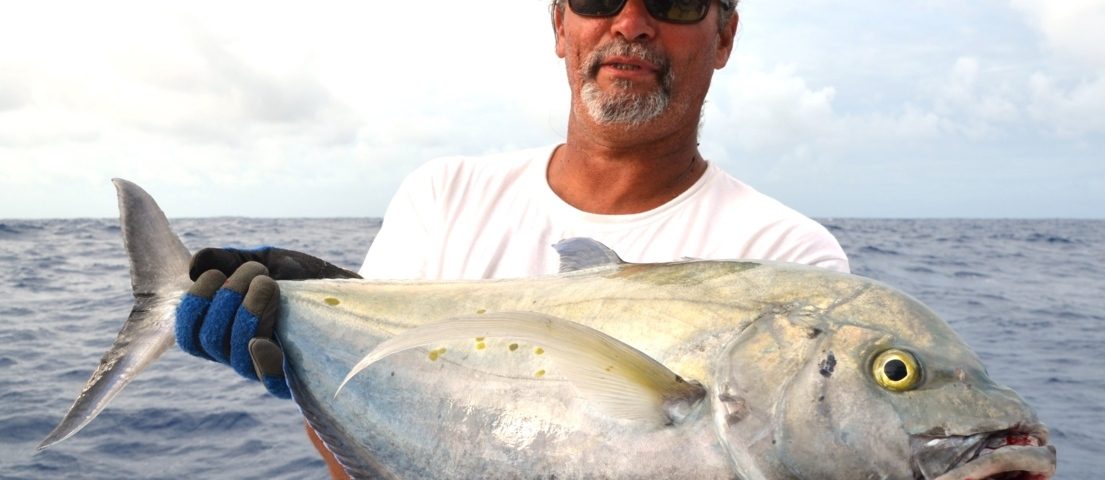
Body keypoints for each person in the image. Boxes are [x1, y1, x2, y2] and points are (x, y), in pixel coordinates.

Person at [176, 0, 849, 477]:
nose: (631, 23)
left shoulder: (789, 259)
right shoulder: (444, 196)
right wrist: (308, 369)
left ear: (724, 36)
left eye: (673, 3)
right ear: (561, 25)